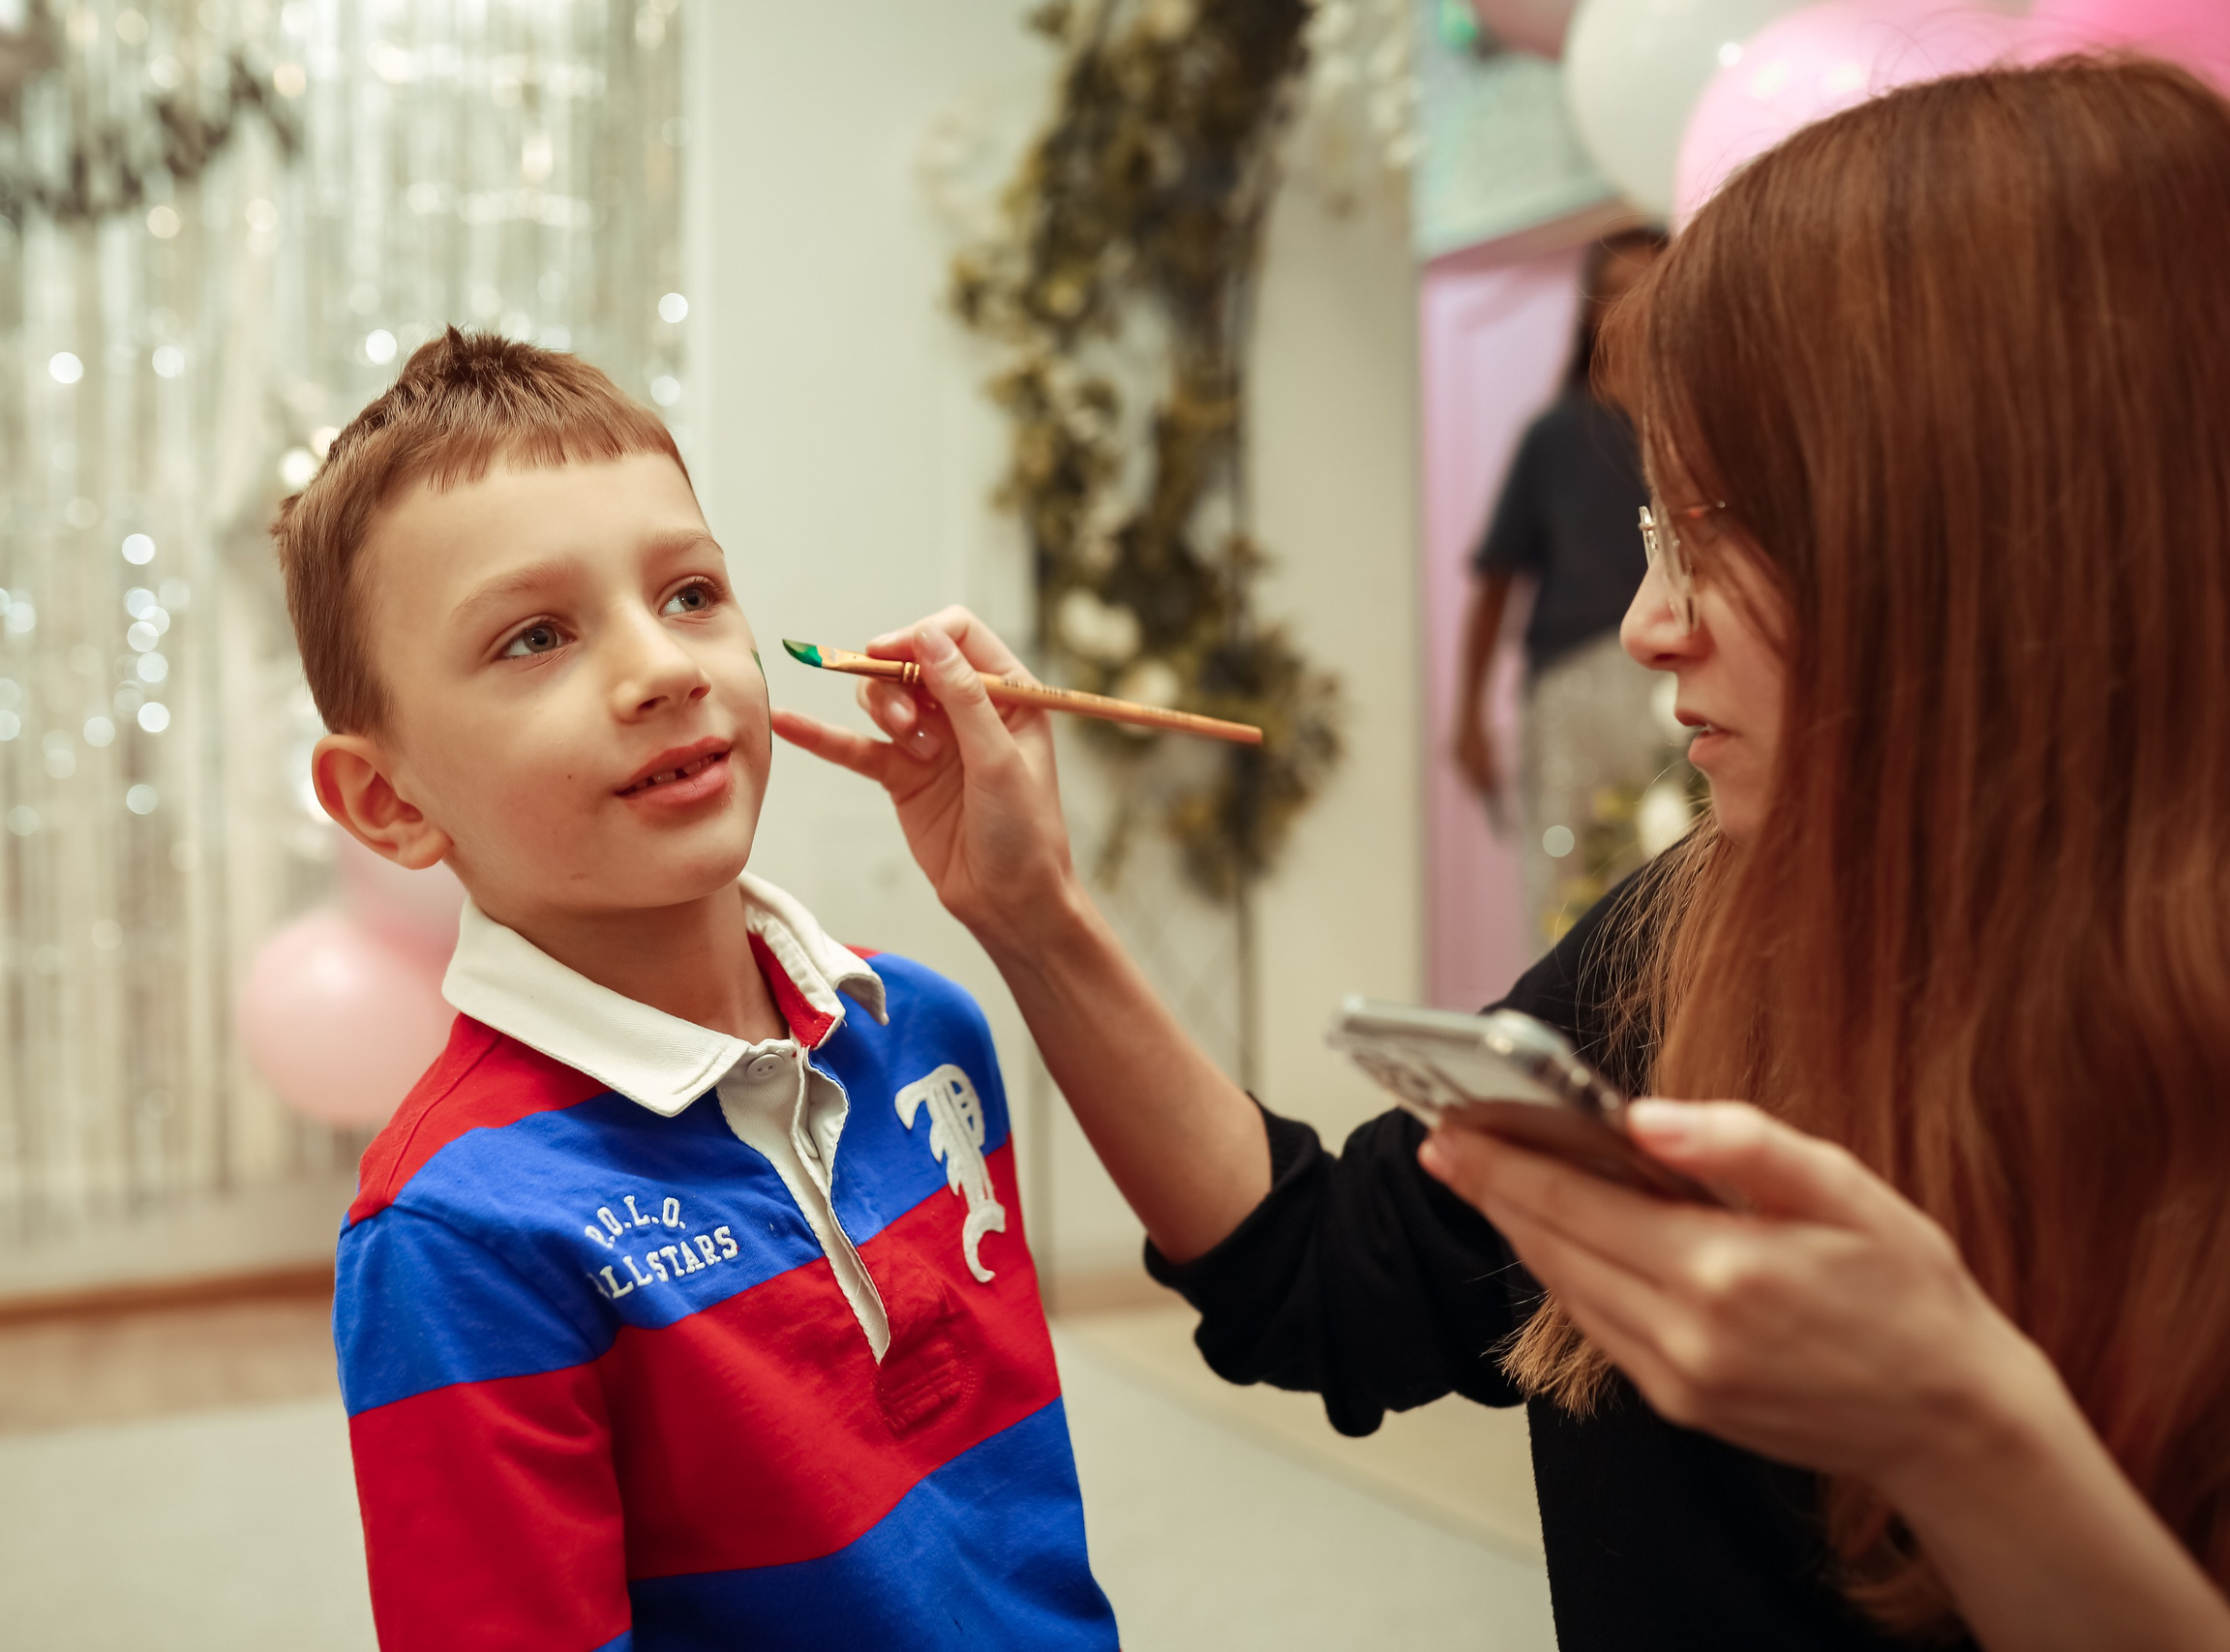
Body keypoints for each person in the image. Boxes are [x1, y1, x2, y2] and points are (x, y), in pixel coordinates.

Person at [778, 59, 2230, 1652]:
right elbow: (1325, 1273)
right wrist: (1030, 907)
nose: (1647, 625)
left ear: (2002, 532)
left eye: (1726, 533)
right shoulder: (1699, 931)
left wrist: (1964, 1431)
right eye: (1658, 533)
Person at [278, 331, 1117, 1649]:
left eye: (688, 594)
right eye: (536, 636)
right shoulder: (460, 1231)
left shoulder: (925, 1030)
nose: (667, 667)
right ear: (387, 800)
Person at [1453, 225, 1680, 946]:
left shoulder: (1695, 429)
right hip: (1570, 692)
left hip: (1675, 689)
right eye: (1615, 292)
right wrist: (1468, 717)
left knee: (1669, 871)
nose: (1630, 309)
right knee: (1567, 876)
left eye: (1649, 289)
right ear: (1589, 313)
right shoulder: (1553, 437)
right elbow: (1495, 580)